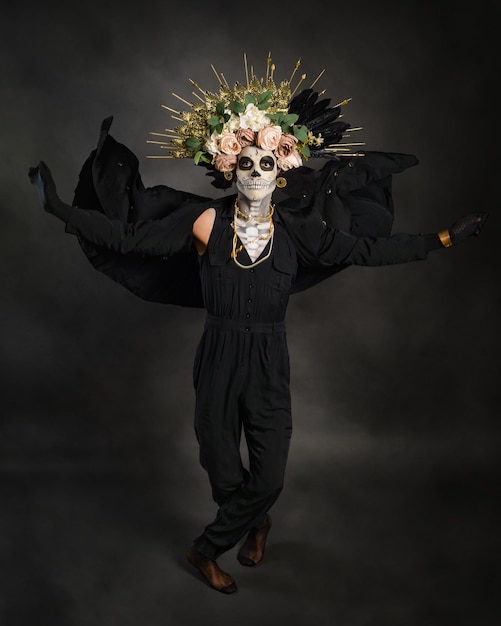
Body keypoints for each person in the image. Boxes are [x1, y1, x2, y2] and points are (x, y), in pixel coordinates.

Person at [29, 56, 487, 594]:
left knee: (267, 477)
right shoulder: (204, 223)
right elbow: (126, 240)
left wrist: (441, 240)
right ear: (230, 168)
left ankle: (207, 548)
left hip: (269, 360)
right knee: (222, 468)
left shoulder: (296, 234)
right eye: (245, 163)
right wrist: (59, 208)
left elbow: (367, 249)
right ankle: (251, 520)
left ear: (281, 169)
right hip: (218, 355)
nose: (254, 172)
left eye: (265, 164)